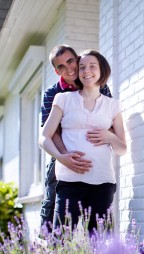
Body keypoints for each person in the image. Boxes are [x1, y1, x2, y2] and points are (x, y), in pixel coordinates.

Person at [40, 49, 126, 234]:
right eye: (82, 68)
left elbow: (118, 141)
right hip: (68, 175)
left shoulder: (109, 100)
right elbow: (48, 134)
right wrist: (63, 157)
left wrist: (110, 136)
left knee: (100, 242)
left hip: (102, 180)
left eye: (72, 62)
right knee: (57, 235)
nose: (85, 71)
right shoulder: (58, 96)